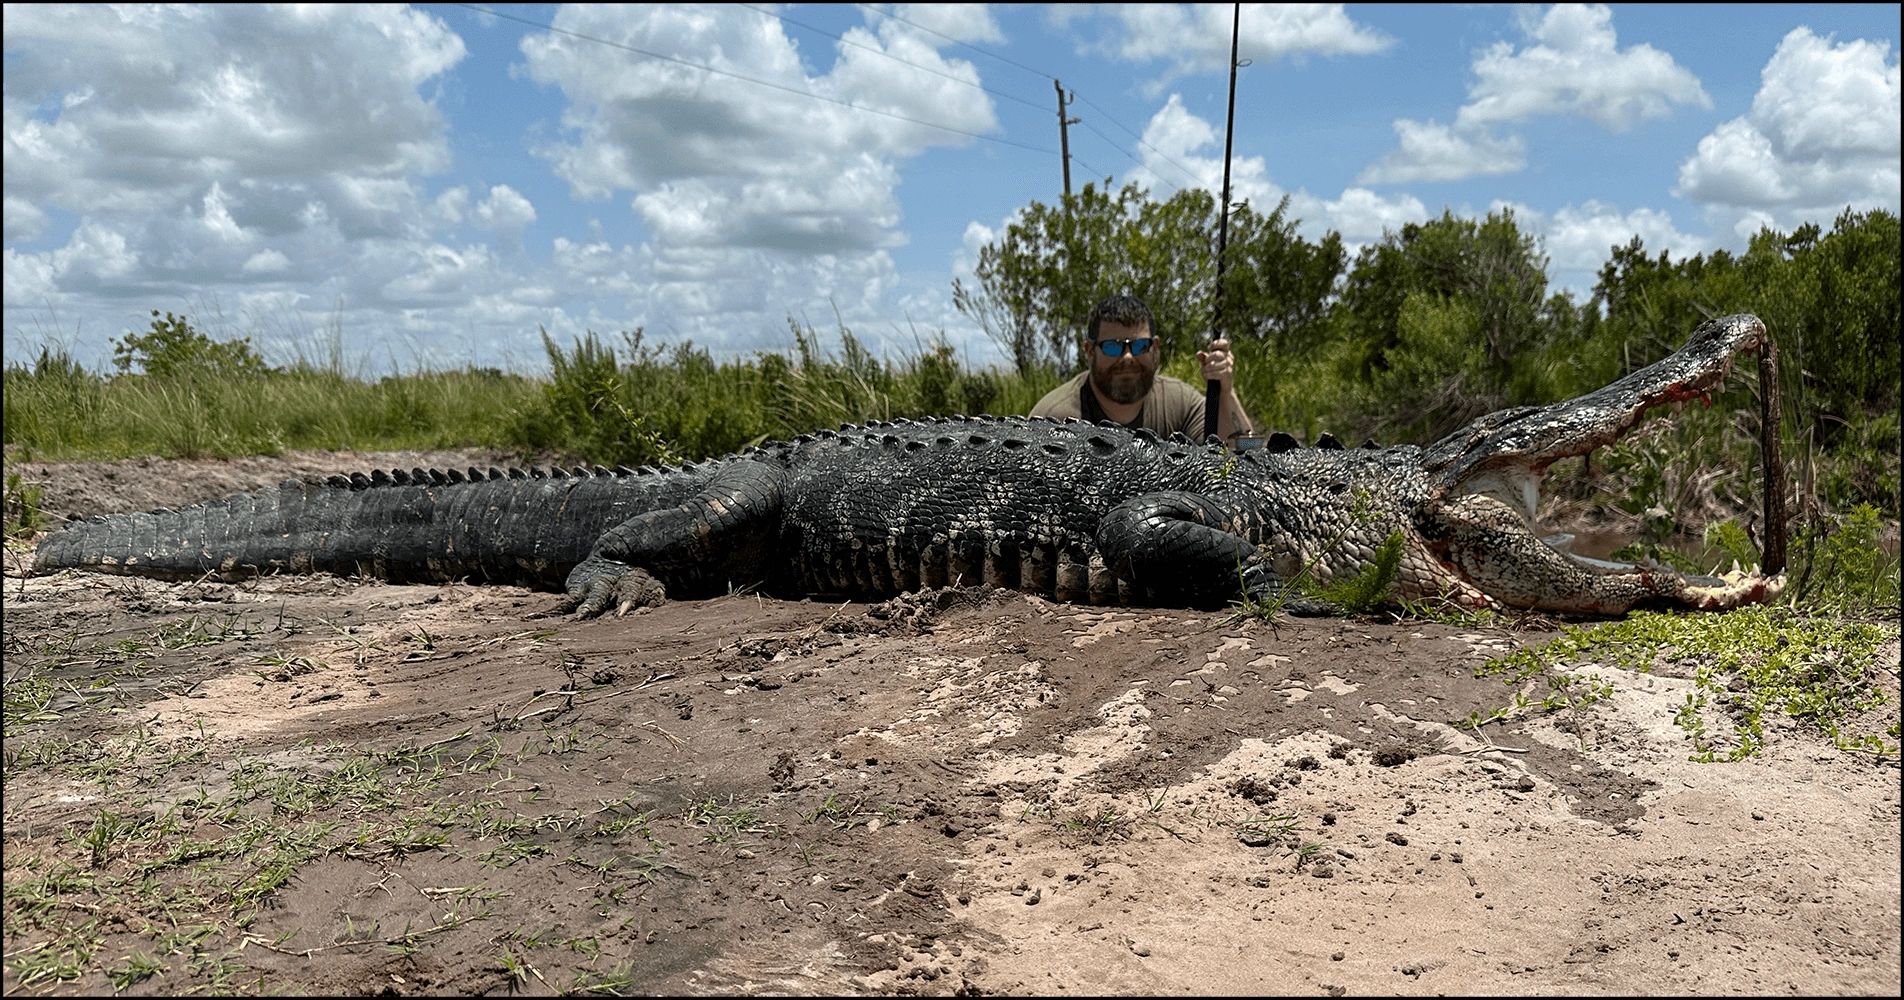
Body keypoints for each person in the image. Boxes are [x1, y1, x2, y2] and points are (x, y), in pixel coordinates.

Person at [1029, 293, 1254, 444]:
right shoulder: (1053, 418)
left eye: (1139, 345)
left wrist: (1226, 392)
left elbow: (1250, 446)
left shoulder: (1180, 403)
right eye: (1112, 347)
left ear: (1155, 347)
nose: (1127, 357)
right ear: (1089, 351)